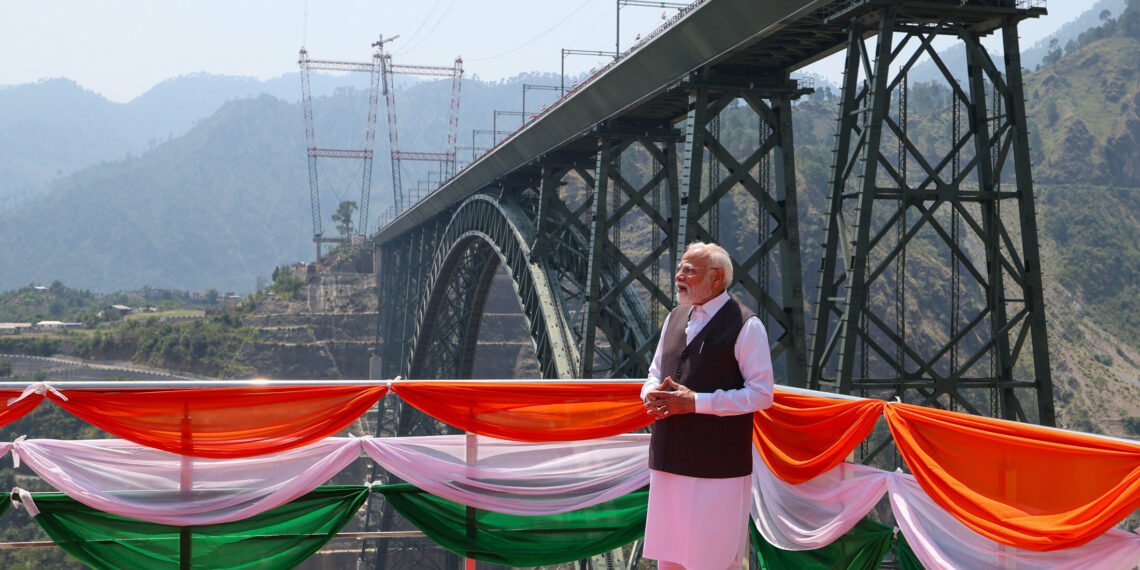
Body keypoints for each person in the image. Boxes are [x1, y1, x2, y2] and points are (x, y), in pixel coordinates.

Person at [641, 241, 775, 570]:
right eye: (680, 268)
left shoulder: (746, 325)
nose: (679, 276)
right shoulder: (675, 317)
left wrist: (696, 402)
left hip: (717, 471)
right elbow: (654, 371)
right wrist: (649, 393)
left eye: (690, 270)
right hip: (669, 462)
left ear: (717, 278)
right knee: (670, 558)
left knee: (711, 560)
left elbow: (761, 393)